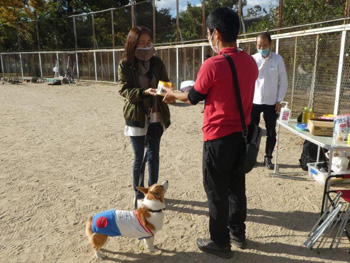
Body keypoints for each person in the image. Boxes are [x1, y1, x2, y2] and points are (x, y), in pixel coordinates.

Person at [162, 7, 258, 259]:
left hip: (217, 139)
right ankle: (238, 233)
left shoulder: (212, 64)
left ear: (215, 33)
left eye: (208, 33)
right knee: (236, 187)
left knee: (216, 191)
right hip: (242, 137)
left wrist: (172, 95)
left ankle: (220, 242)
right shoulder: (250, 62)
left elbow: (193, 96)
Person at [118, 26, 171, 207]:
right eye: (142, 42)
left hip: (156, 114)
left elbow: (165, 82)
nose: (146, 45)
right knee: (139, 157)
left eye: (149, 41)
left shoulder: (157, 62)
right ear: (133, 43)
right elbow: (124, 90)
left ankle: (154, 191)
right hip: (137, 115)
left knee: (153, 155)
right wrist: (143, 92)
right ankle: (139, 194)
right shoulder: (125, 63)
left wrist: (165, 91)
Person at [251, 32, 288, 170]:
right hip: (255, 101)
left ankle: (268, 157)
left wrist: (279, 100)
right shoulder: (252, 59)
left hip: (272, 101)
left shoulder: (278, 60)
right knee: (252, 130)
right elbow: (248, 81)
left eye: (264, 45)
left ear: (270, 44)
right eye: (259, 45)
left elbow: (283, 82)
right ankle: (251, 156)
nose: (262, 48)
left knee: (271, 131)